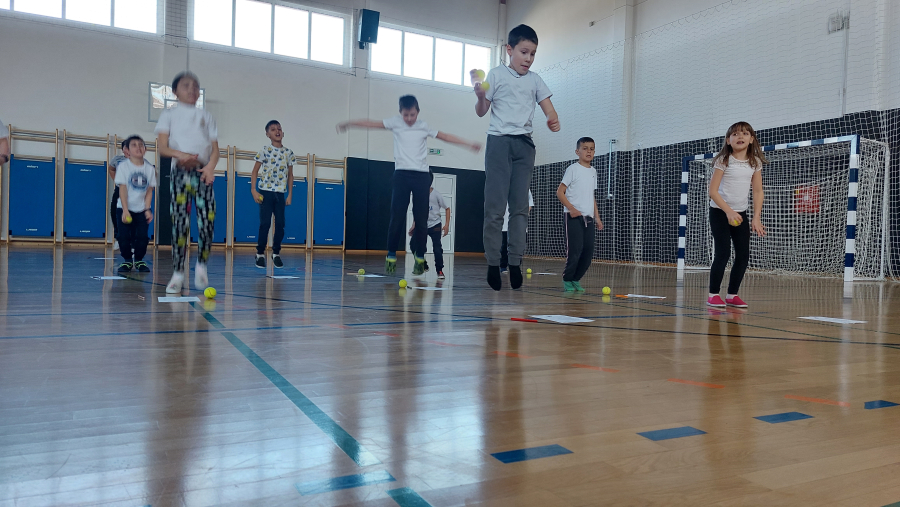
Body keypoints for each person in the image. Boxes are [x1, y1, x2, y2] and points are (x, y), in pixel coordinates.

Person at [337, 95, 480, 275]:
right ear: (400, 113)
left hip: (421, 176)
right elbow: (371, 123)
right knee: (396, 217)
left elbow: (444, 136)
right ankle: (391, 255)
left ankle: (419, 257)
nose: (409, 118)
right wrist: (349, 123)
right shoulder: (395, 123)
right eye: (406, 115)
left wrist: (468, 143)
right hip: (402, 175)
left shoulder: (423, 126)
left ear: (417, 112)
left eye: (412, 115)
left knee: (421, 219)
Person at [474, 24, 560, 291]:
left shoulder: (535, 80)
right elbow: (481, 111)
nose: (528, 58)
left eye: (533, 54)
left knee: (520, 207)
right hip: (499, 143)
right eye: (524, 52)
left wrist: (552, 118)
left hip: (524, 146)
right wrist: (480, 96)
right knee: (495, 208)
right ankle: (493, 262)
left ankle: (514, 262)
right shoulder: (496, 75)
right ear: (509, 50)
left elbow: (549, 108)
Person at [156, 71, 219, 294]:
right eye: (186, 85)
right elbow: (163, 148)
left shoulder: (206, 116)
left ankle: (202, 265)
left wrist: (210, 167)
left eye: (195, 86)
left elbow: (215, 150)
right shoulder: (168, 115)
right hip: (180, 174)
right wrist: (181, 155)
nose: (192, 89)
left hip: (202, 174)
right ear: (175, 91)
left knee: (207, 221)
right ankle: (178, 272)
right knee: (180, 224)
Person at [707, 121, 767, 308]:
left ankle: (732, 295)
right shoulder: (724, 161)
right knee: (723, 253)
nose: (740, 136)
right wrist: (728, 211)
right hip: (720, 212)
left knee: (743, 255)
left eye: (745, 133)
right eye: (735, 134)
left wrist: (756, 217)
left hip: (740, 214)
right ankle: (713, 294)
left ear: (751, 139)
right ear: (728, 140)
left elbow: (758, 191)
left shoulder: (754, 163)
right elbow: (713, 192)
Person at [556, 137, 603, 293]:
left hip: (589, 218)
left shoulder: (593, 172)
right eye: (585, 148)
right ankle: (567, 279)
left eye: (592, 149)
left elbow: (591, 196)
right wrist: (571, 208)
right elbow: (560, 192)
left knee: (588, 251)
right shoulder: (573, 169)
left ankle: (576, 279)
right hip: (574, 217)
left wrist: (597, 217)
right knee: (575, 250)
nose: (589, 151)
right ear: (578, 151)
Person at [251, 120, 294, 269]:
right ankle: (260, 253)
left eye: (279, 129)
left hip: (280, 193)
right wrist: (253, 190)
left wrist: (290, 194)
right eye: (273, 129)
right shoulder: (264, 150)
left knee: (280, 224)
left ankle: (276, 253)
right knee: (265, 223)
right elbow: (255, 171)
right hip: (265, 192)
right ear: (268, 134)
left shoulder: (288, 153)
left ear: (283, 133)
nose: (277, 131)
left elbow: (290, 175)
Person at [114, 135, 156, 273]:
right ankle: (127, 260)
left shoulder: (150, 169)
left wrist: (147, 209)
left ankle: (139, 260)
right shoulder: (123, 167)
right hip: (124, 208)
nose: (138, 147)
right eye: (134, 145)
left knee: (142, 237)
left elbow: (149, 190)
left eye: (141, 145)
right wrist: (125, 210)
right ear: (127, 150)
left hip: (141, 209)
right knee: (123, 236)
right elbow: (123, 189)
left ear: (145, 149)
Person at [108, 142, 154, 251]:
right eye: (126, 148)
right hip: (121, 190)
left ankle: (133, 244)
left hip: (136, 192)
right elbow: (111, 169)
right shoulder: (117, 160)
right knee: (115, 212)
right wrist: (117, 181)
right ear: (123, 150)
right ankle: (118, 238)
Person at [408, 177, 451, 279]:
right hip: (422, 224)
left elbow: (447, 208)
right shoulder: (419, 194)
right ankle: (423, 265)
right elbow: (417, 210)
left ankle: (439, 270)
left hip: (435, 225)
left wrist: (446, 225)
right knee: (413, 245)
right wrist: (414, 224)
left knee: (437, 248)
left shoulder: (436, 195)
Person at [501, 189, 533, 273]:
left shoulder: (525, 188)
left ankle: (516, 266)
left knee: (518, 246)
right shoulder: (504, 187)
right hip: (506, 224)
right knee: (505, 246)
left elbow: (530, 204)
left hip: (520, 224)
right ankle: (503, 266)